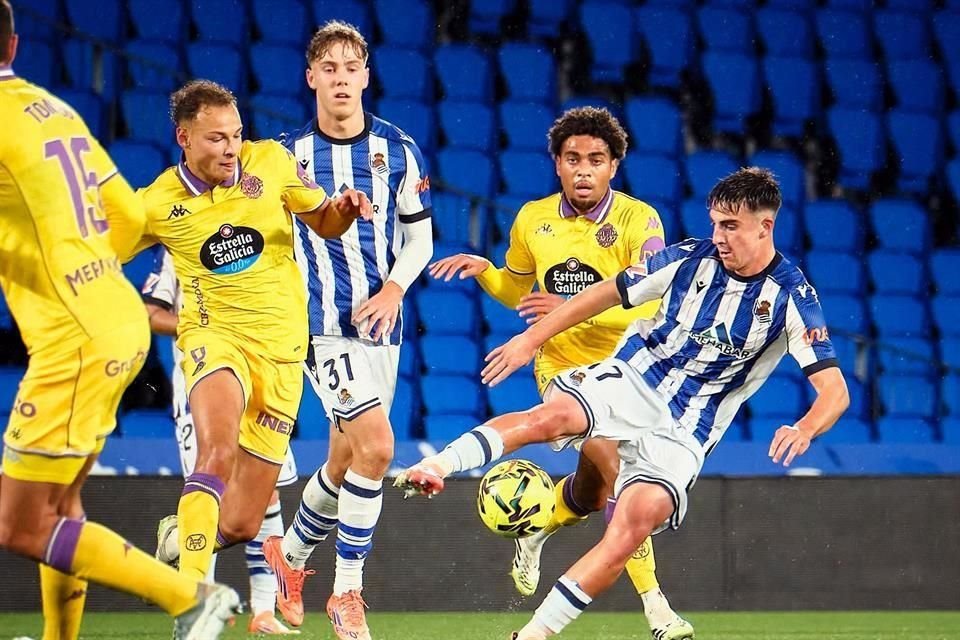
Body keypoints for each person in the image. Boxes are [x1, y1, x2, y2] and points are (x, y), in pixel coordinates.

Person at [397, 168, 850, 639]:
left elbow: (835, 392)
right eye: (715, 223)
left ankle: (532, 634)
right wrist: (530, 340)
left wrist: (805, 428)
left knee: (627, 528)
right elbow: (601, 295)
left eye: (730, 226)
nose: (717, 236)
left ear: (765, 226)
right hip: (634, 377)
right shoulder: (686, 260)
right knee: (553, 417)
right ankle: (440, 467)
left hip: (689, 427)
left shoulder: (793, 298)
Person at [0, 3, 239, 639]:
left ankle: (190, 596)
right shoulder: (54, 112)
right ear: (15, 45)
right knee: (62, 508)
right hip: (115, 318)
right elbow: (130, 220)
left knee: (20, 524)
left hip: (75, 339)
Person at [428, 106, 692, 638]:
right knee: (618, 474)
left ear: (614, 166)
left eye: (596, 159)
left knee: (593, 495)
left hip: (629, 372)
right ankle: (656, 607)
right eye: (573, 159)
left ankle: (537, 529)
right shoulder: (533, 219)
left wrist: (568, 307)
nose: (584, 170)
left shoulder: (641, 222)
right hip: (565, 371)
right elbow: (520, 292)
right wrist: (487, 273)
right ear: (557, 163)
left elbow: (649, 297)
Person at [140, 79, 371, 597]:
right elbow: (100, 251)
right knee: (216, 454)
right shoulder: (157, 203)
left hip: (282, 354)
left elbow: (324, 221)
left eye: (236, 135)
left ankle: (181, 538)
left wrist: (346, 208)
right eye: (216, 138)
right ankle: (191, 605)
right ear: (184, 137)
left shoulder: (270, 163)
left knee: (243, 522)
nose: (230, 149)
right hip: (214, 339)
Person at [260, 22, 434, 640]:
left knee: (344, 460)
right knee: (380, 449)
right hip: (318, 327)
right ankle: (347, 593)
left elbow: (419, 241)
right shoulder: (286, 158)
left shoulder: (400, 150)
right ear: (312, 77)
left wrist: (393, 288)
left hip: (381, 325)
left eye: (349, 66)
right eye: (327, 67)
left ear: (365, 76)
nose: (339, 77)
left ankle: (293, 565)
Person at [142, 247, 300, 635]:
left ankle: (263, 609)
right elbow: (150, 313)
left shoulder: (255, 234)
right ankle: (194, 607)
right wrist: (203, 326)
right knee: (208, 489)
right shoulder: (178, 241)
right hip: (203, 378)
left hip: (260, 375)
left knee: (267, 495)